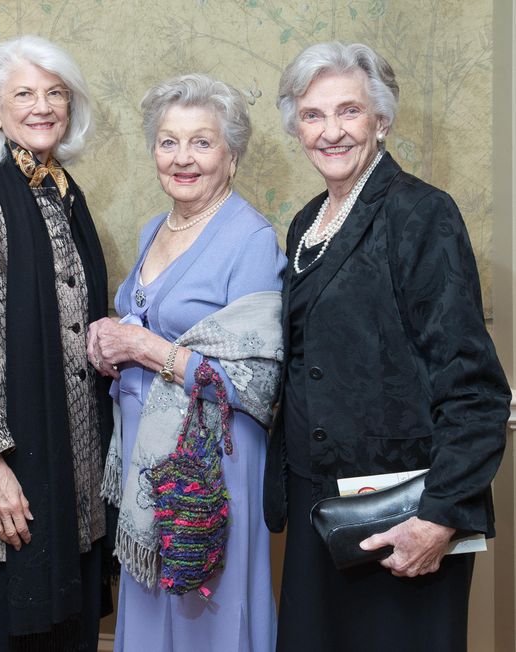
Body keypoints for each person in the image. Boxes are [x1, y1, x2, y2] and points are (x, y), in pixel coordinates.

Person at [266, 41, 511, 650]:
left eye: (349, 111)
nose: (330, 132)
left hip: (402, 514)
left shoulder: (420, 214)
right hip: (321, 510)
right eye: (313, 115)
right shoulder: (306, 222)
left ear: (381, 119)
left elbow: (475, 388)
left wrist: (436, 517)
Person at [88, 74, 284, 652]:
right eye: (168, 142)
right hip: (146, 452)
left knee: (209, 603)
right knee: (150, 598)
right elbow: (144, 324)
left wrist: (144, 349)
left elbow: (254, 381)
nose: (182, 158)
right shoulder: (154, 229)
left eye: (202, 142)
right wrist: (111, 342)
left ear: (232, 154)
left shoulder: (251, 240)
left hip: (212, 457)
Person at [0, 35, 113, 651]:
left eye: (55, 93)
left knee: (73, 630)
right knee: (15, 630)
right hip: (14, 465)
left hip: (78, 466)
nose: (42, 106)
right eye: (24, 94)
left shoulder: (67, 193)